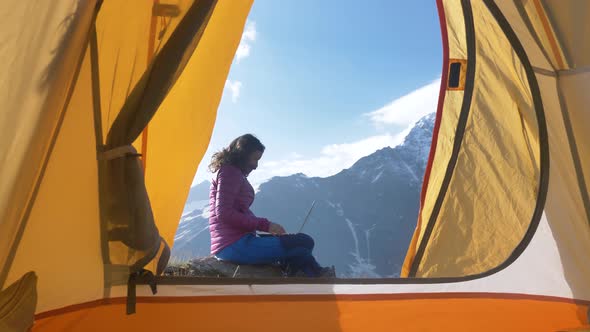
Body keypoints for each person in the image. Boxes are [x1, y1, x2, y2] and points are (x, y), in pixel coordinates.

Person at [208, 133, 335, 277]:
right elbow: (223, 213)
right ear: (243, 154)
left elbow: (234, 211)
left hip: (235, 242)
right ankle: (313, 276)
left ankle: (309, 274)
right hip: (233, 245)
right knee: (302, 243)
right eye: (255, 159)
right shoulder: (229, 172)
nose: (255, 166)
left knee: (302, 245)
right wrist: (265, 225)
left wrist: (264, 226)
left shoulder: (230, 172)